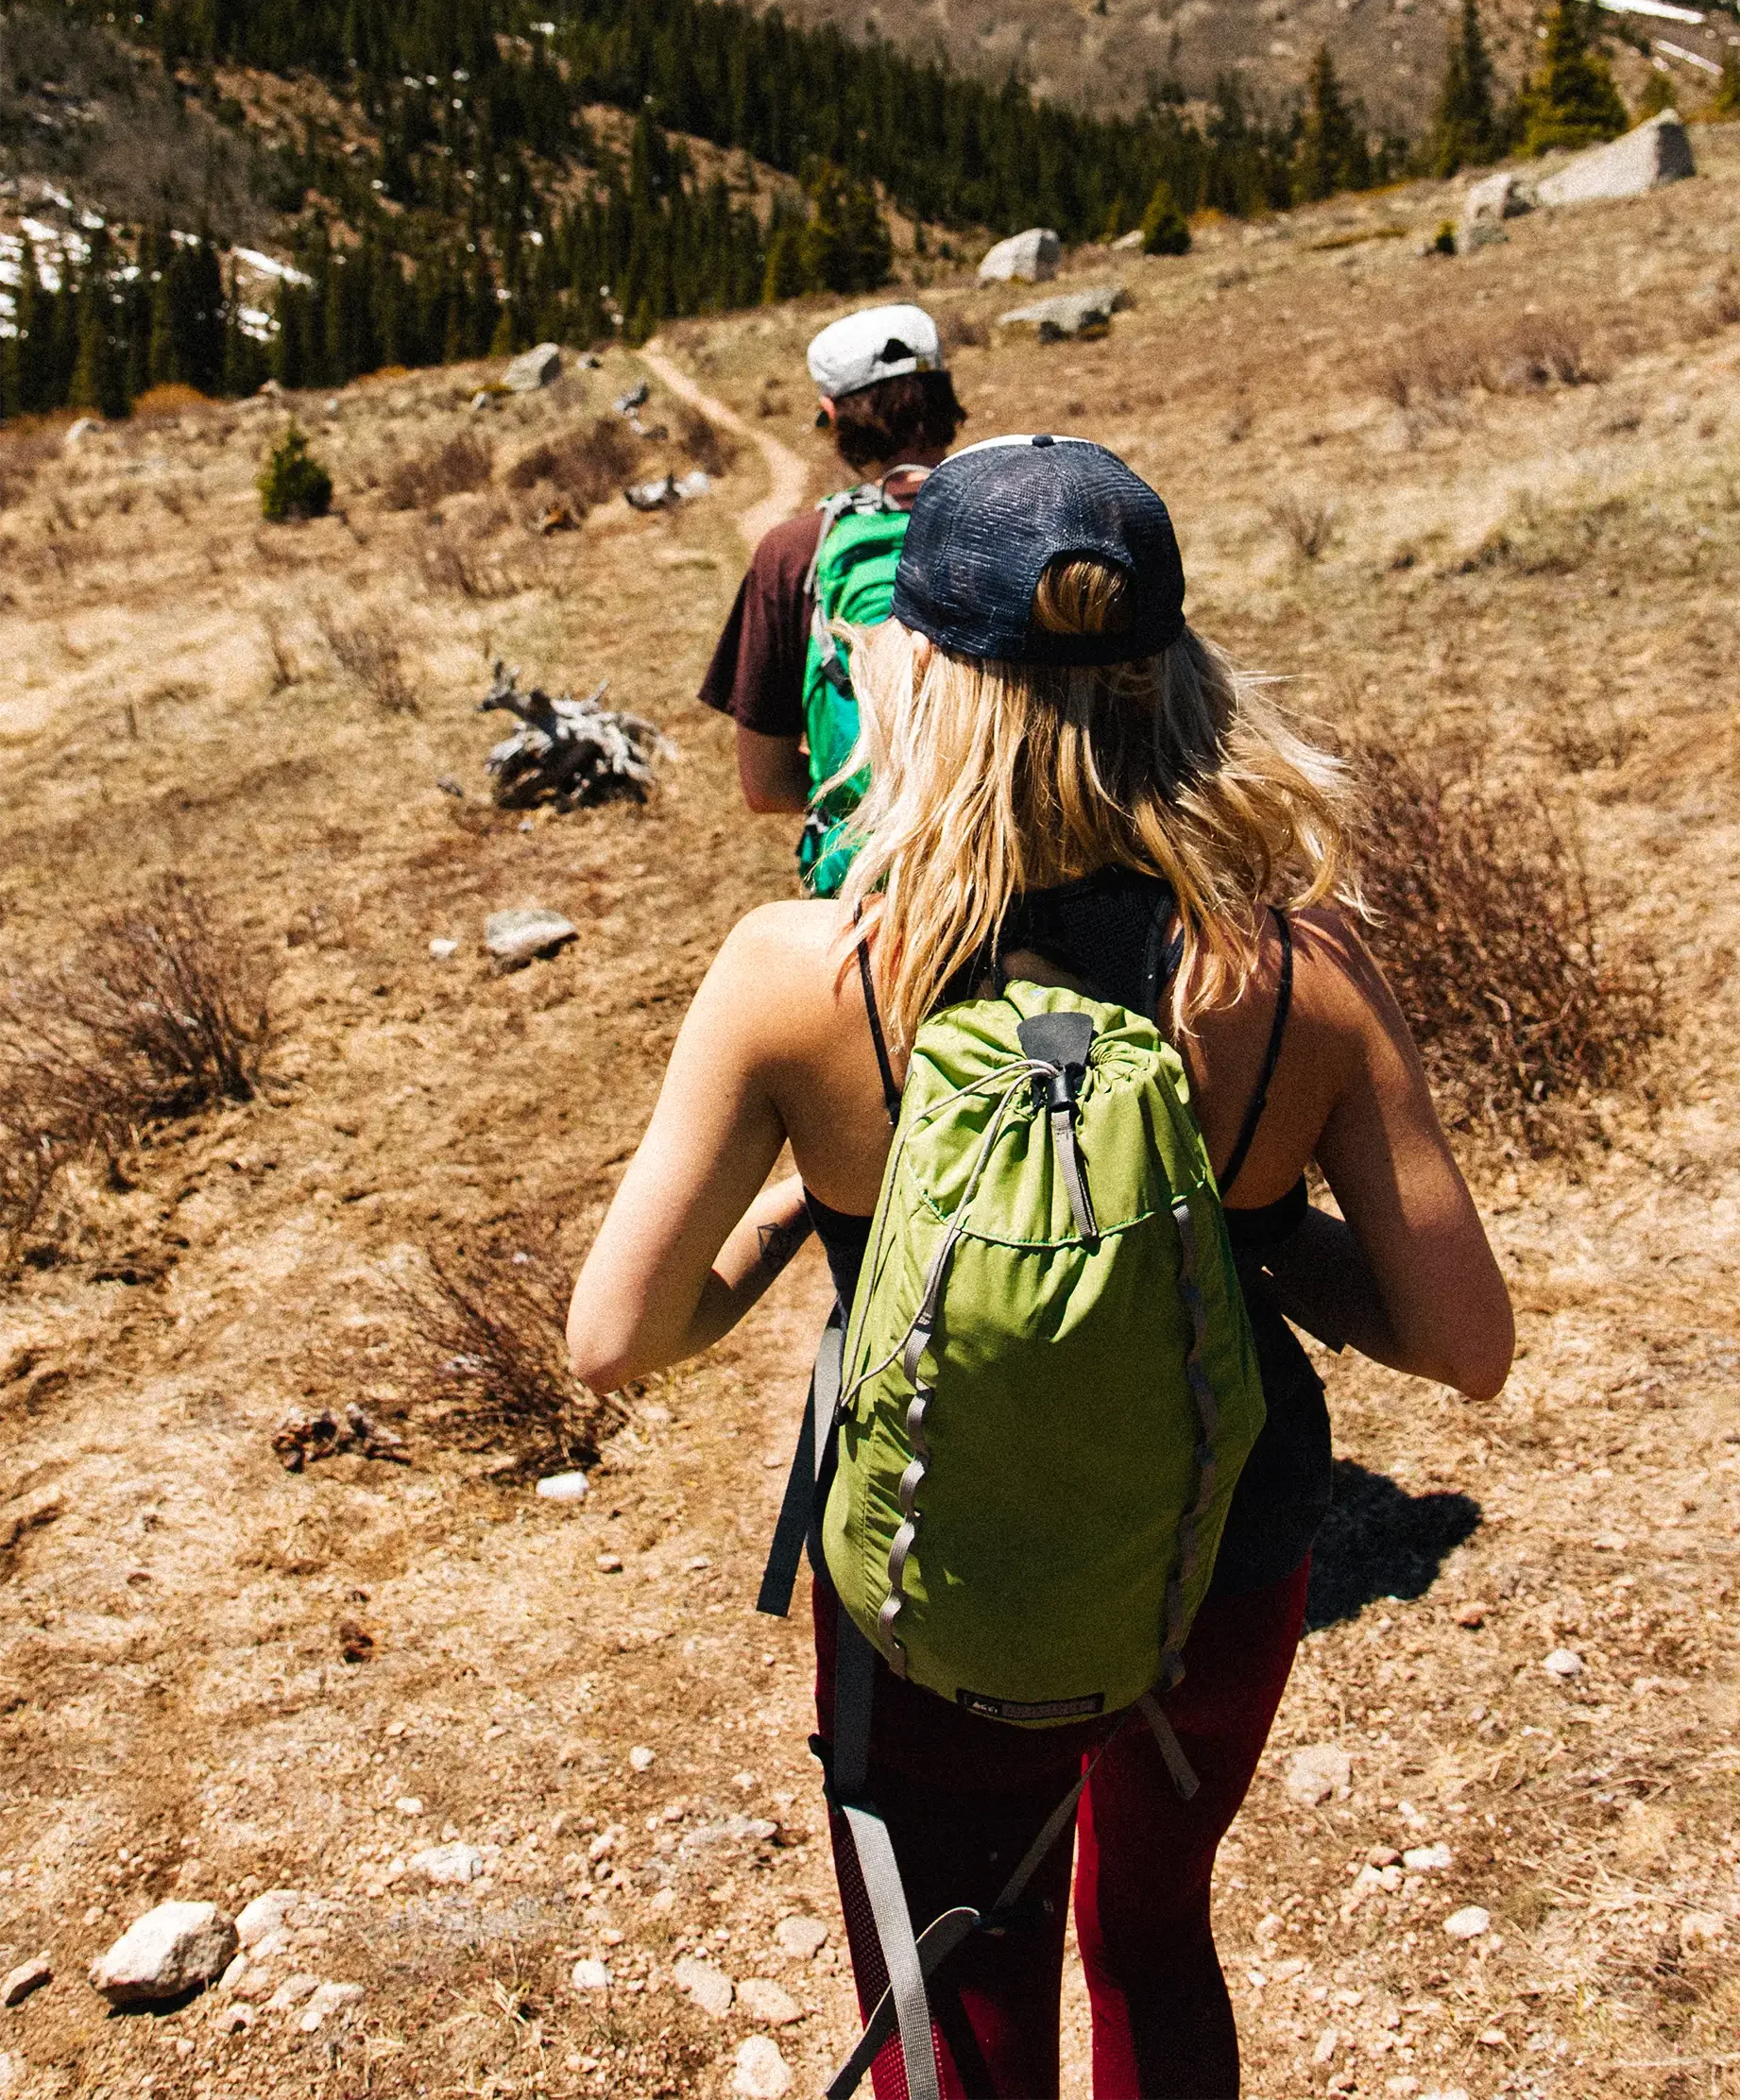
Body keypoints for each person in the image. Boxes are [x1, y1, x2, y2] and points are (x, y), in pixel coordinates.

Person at [571, 435, 1512, 2100]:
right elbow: (1464, 1339)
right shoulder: (1294, 965)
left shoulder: (803, 969)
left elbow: (616, 1335)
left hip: (932, 1567)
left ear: (912, 667)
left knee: (956, 1982)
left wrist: (800, 1213)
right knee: (1153, 1933)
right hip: (1223, 1555)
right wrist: (1258, 1232)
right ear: (1182, 672)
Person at [698, 300, 967, 887]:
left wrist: (867, 791)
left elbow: (765, 785)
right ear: (945, 400)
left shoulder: (796, 551)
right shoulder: (1022, 516)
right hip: (1024, 876)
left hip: (874, 893)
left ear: (832, 417)